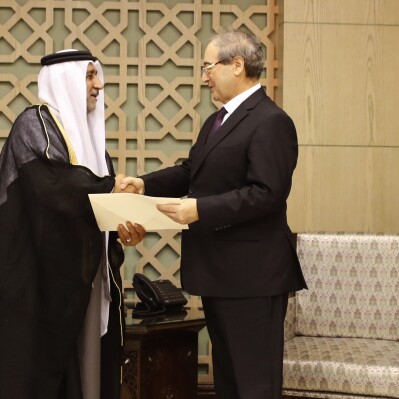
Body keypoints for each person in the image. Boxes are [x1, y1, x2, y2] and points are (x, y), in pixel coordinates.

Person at [121, 28, 307, 399]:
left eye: (208, 66)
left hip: (253, 275)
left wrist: (199, 209)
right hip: (220, 271)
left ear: (237, 65)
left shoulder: (271, 121)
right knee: (230, 384)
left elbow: (266, 194)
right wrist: (143, 184)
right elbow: (192, 172)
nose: (203, 75)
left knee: (255, 385)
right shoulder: (217, 121)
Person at [0, 49, 145, 399]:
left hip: (84, 281)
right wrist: (109, 188)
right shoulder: (34, 125)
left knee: (89, 373)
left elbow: (95, 205)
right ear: (65, 80)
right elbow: (54, 187)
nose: (98, 84)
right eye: (90, 76)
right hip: (37, 287)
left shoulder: (94, 143)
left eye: (97, 75)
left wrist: (122, 226)